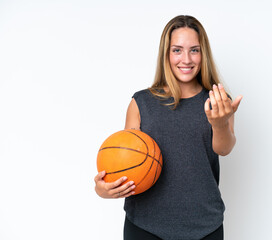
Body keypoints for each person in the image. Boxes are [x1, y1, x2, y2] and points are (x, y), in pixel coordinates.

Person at [94, 15, 243, 240]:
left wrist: (219, 123)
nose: (186, 59)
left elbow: (224, 148)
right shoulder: (140, 103)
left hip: (204, 226)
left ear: (204, 54)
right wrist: (103, 188)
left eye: (194, 50)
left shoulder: (218, 101)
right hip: (145, 226)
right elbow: (123, 160)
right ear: (166, 54)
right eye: (177, 50)